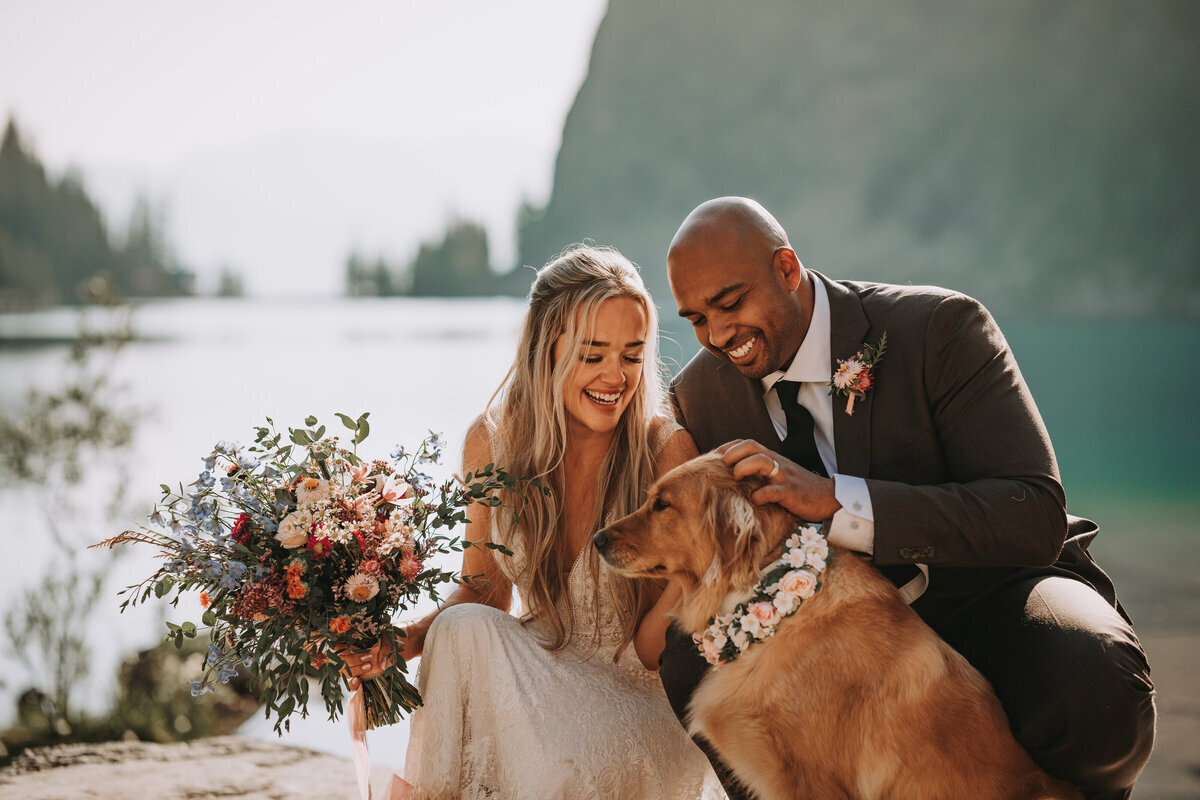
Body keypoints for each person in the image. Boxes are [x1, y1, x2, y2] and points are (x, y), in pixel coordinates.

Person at [658, 196, 1156, 800]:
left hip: (989, 592)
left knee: (1093, 692)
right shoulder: (699, 397)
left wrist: (835, 500)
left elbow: (1032, 510)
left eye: (730, 303)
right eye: (694, 320)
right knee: (689, 658)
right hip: (824, 638)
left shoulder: (940, 329)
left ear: (787, 270)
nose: (715, 335)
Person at [344, 245, 723, 799]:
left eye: (632, 354)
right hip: (539, 673)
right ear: (547, 350)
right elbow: (483, 591)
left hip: (637, 701)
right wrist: (397, 641)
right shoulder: (493, 443)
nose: (616, 377)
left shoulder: (664, 453)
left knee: (549, 762)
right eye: (593, 356)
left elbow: (658, 644)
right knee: (459, 629)